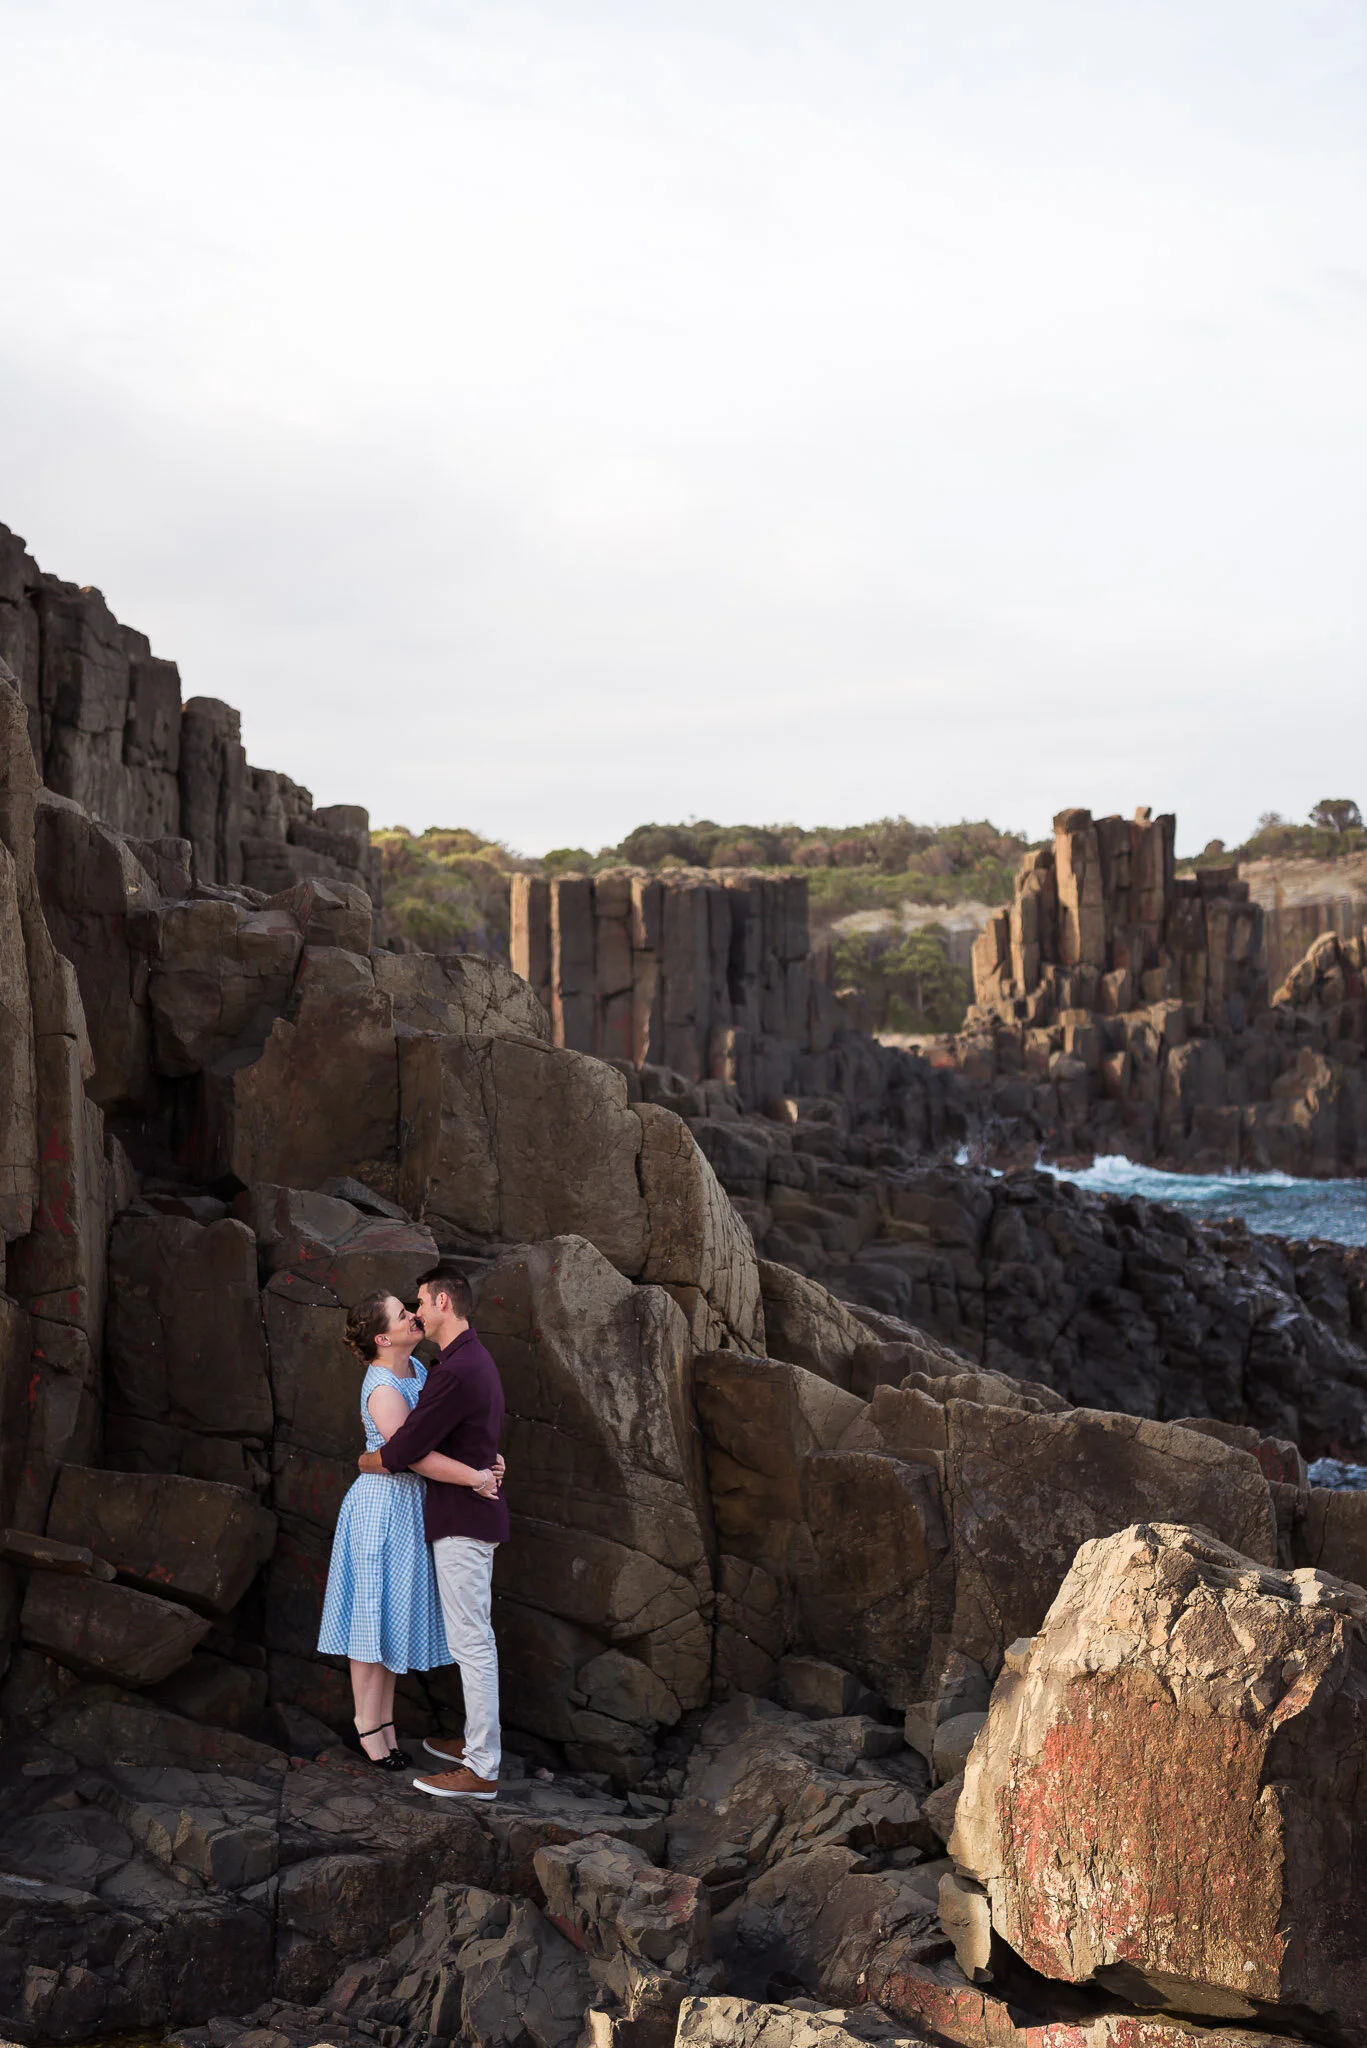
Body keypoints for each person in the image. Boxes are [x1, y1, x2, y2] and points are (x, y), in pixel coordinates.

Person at [317, 1290, 503, 1769]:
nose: (414, 1316)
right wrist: (476, 1476)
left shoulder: (419, 1372)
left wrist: (485, 1459)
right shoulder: (381, 1386)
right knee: (369, 1621)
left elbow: (442, 1433)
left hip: (410, 1511)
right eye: (404, 1314)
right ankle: (369, 1728)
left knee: (387, 1620)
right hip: (380, 1512)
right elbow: (412, 1455)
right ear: (384, 1337)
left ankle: (386, 1725)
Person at [358, 1262, 508, 1802]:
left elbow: (404, 1450)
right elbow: (480, 1437)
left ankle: (483, 1766)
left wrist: (367, 1460)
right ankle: (474, 1744)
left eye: (420, 1301)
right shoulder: (471, 1360)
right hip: (471, 1515)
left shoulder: (454, 1370)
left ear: (443, 1303)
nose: (417, 1311)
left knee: (473, 1643)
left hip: (464, 1521)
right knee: (473, 1639)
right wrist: (488, 1465)